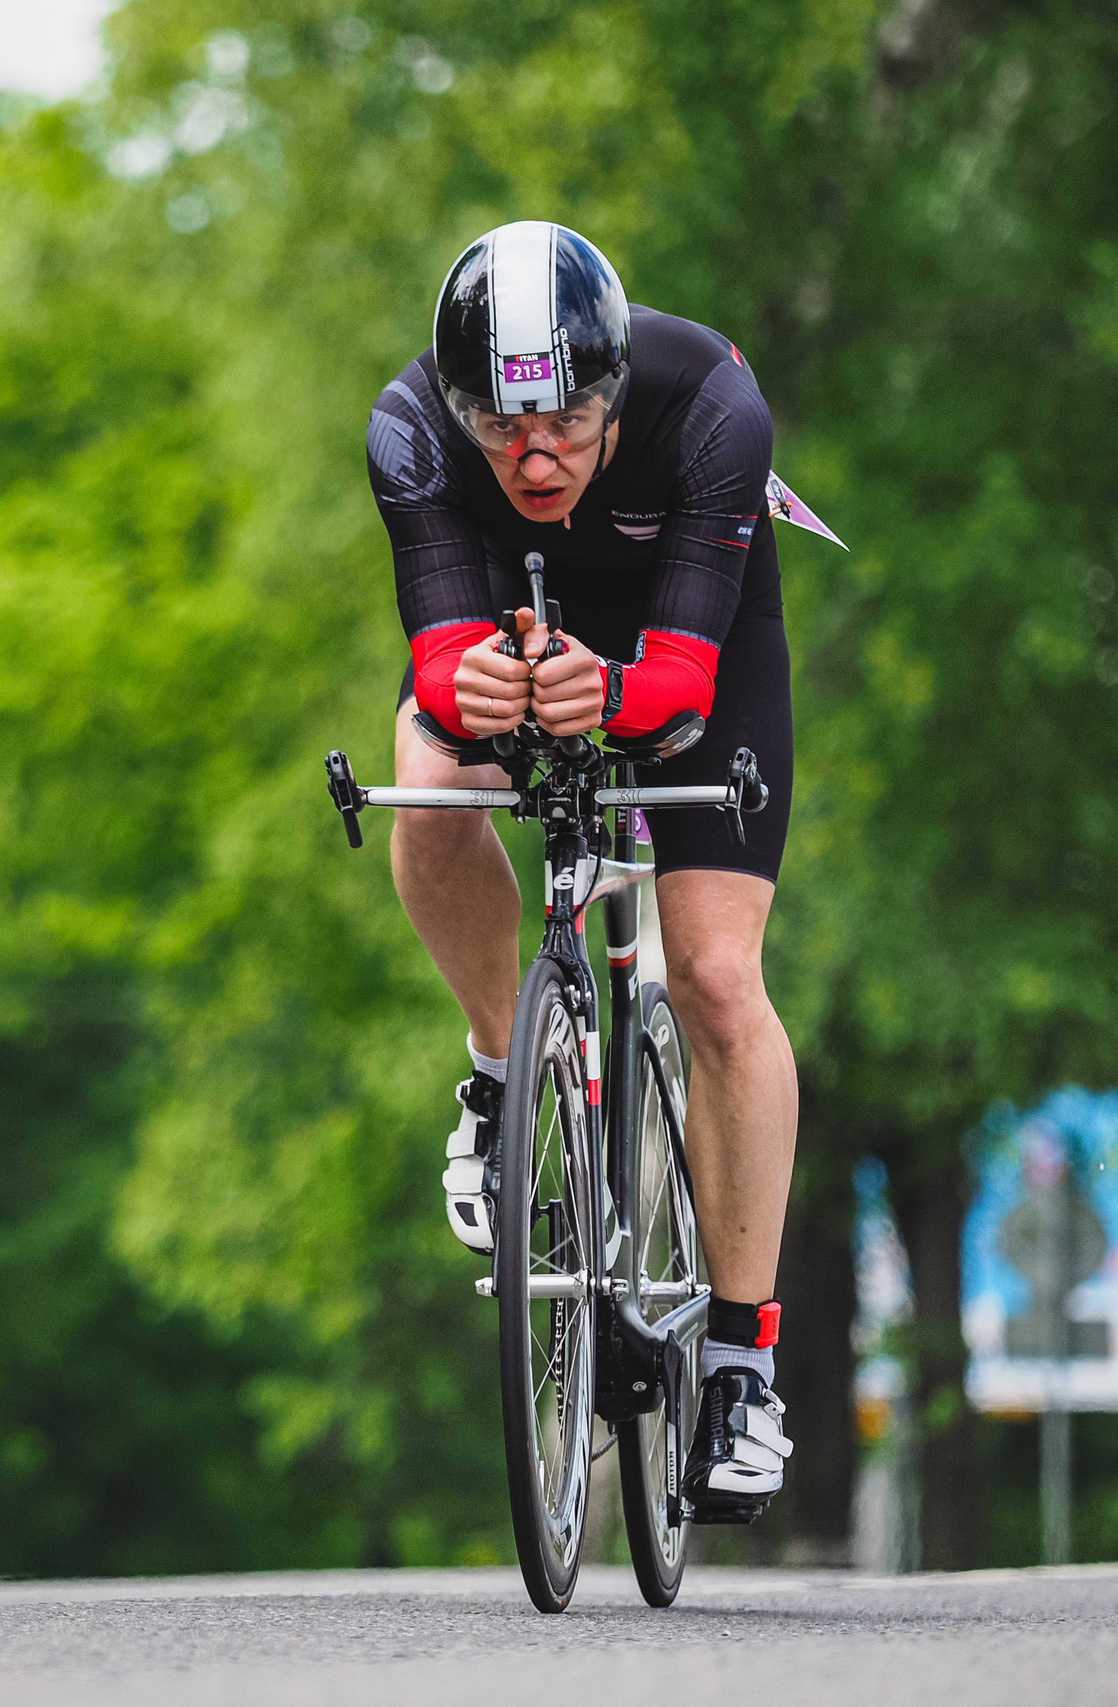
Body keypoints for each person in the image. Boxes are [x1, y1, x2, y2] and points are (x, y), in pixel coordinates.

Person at [366, 220, 796, 1521]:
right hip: (518, 616)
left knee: (715, 979)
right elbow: (439, 655)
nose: (536, 457)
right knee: (429, 801)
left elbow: (680, 690)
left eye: (566, 422)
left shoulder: (712, 406)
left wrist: (607, 692)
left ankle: (742, 1366)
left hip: (687, 641)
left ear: (613, 392)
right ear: (460, 409)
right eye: (502, 430)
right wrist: (473, 684)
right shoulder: (410, 429)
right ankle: (503, 1072)